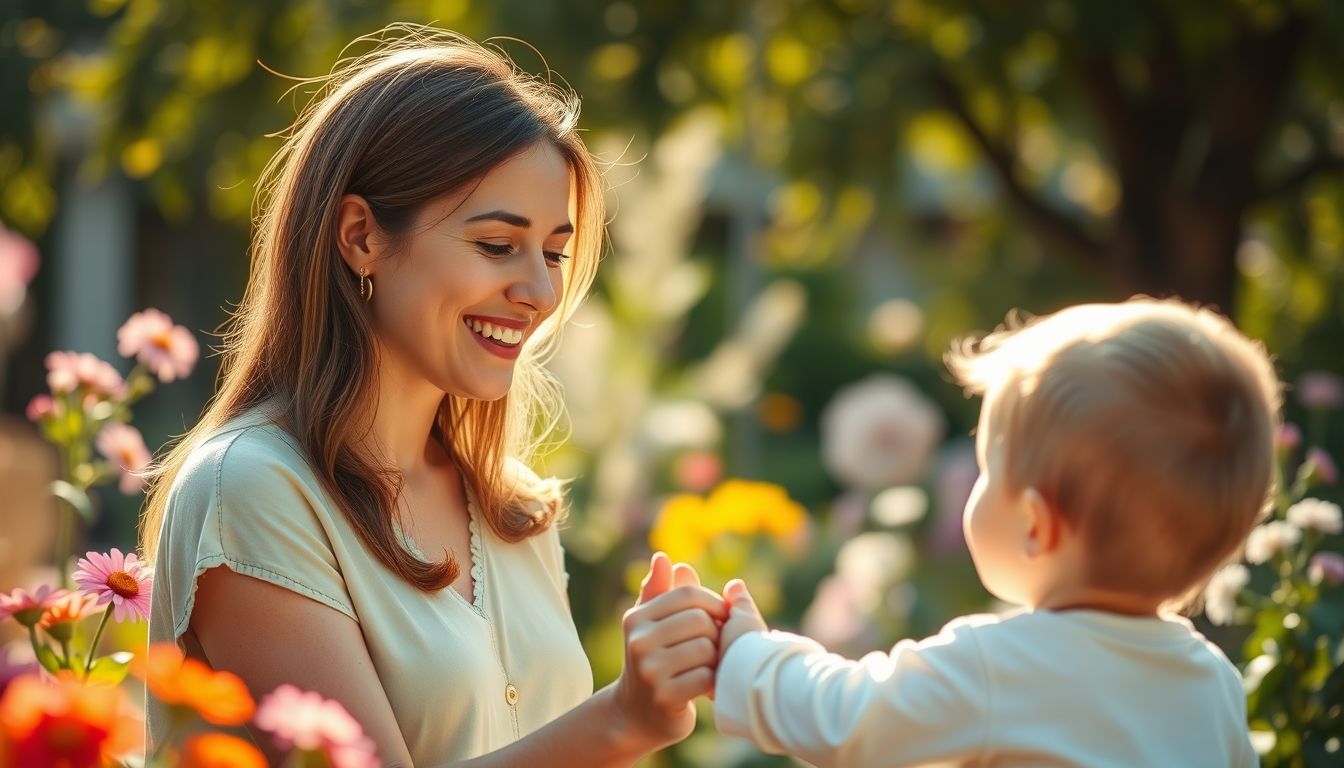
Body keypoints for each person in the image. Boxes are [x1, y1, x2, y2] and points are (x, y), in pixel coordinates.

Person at [141, 25, 725, 766]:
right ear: (360, 236)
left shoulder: (514, 509)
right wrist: (621, 721)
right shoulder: (253, 490)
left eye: (553, 253)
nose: (540, 293)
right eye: (496, 245)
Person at [713, 297, 1275, 767]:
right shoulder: (1214, 687)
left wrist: (745, 655)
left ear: (1035, 525)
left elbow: (844, 719)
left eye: (988, 469)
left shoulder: (994, 668)